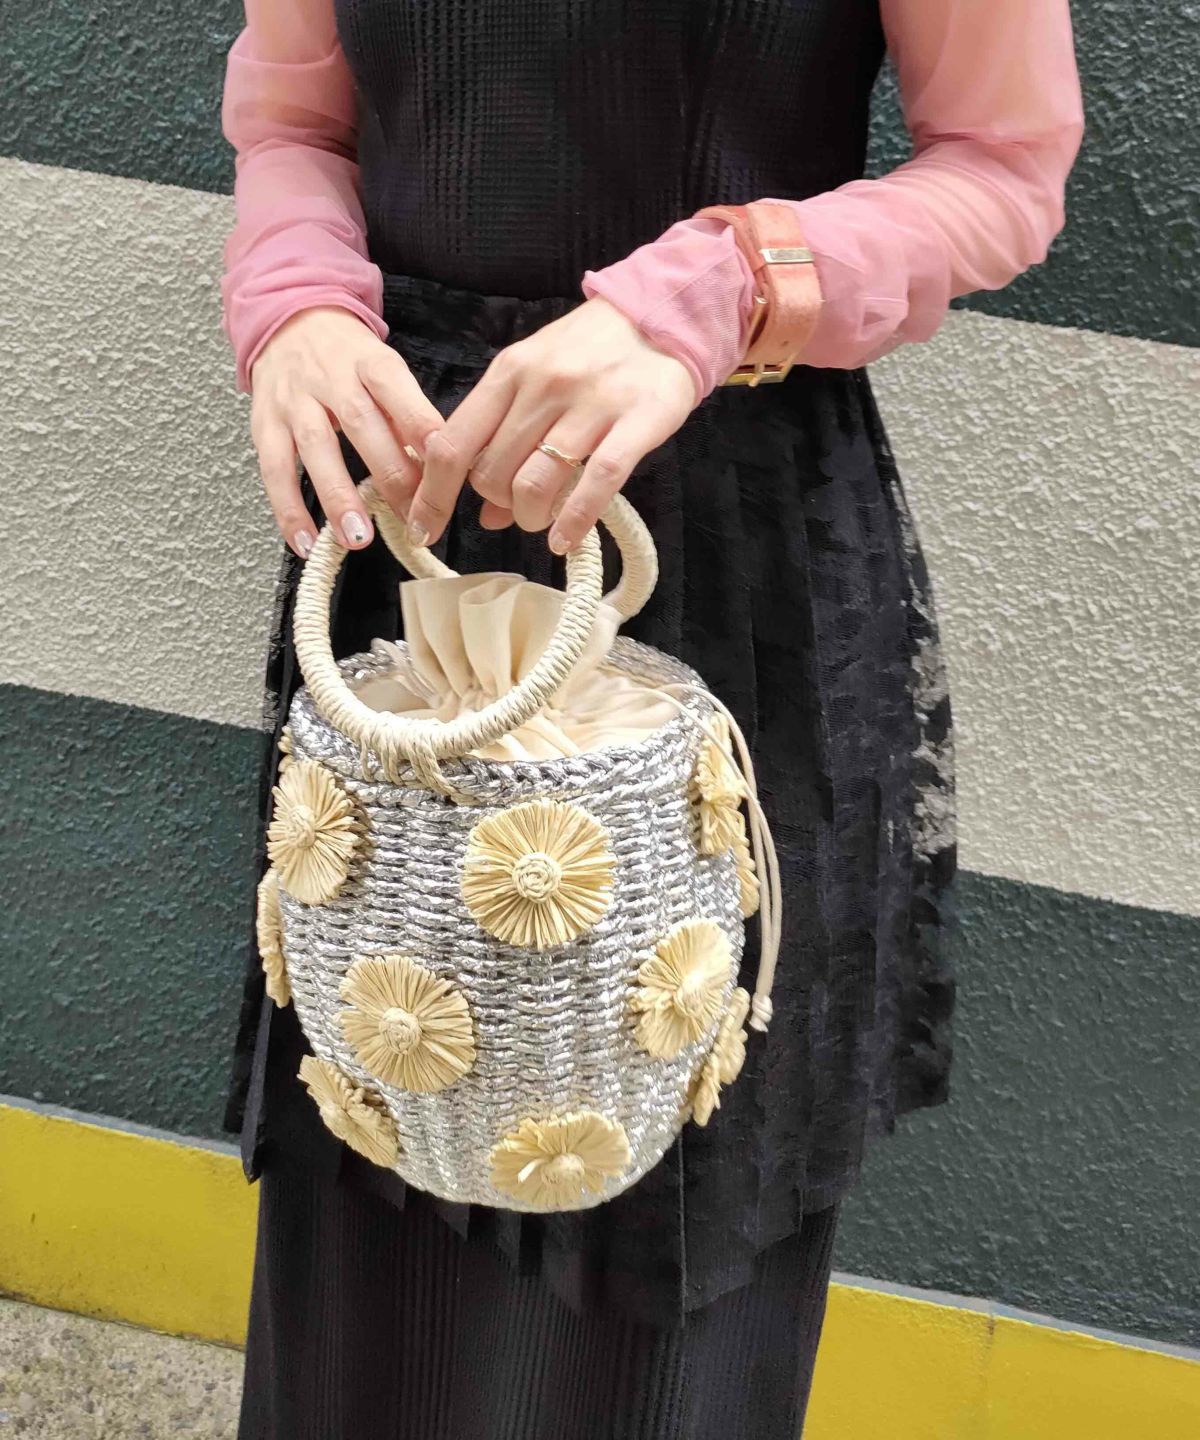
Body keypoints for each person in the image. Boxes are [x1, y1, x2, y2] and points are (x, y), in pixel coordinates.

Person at [219, 3, 1084, 1437]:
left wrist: (725, 286)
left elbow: (1004, 169)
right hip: (407, 535)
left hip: (720, 543)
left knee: (673, 1191)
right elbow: (297, 127)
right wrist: (297, 299)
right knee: (384, 1107)